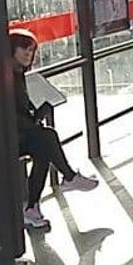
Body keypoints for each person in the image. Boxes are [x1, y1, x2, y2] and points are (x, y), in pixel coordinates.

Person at [10, 29, 98, 231]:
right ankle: (68, 178)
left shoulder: (17, 74)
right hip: (6, 137)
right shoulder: (6, 77)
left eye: (31, 50)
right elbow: (10, 115)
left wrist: (37, 115)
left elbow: (21, 114)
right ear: (11, 48)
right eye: (24, 48)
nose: (28, 53)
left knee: (45, 146)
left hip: (19, 134)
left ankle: (33, 207)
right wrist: (35, 119)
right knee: (47, 138)